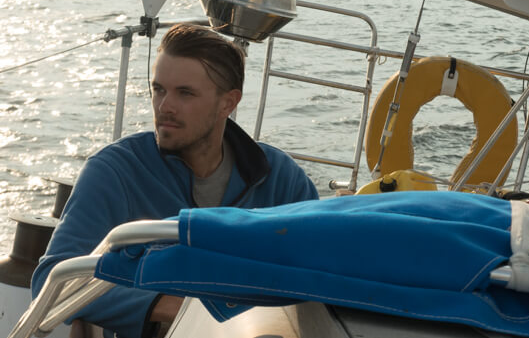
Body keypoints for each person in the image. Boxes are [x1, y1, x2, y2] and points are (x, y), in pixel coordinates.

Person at [32, 23, 318, 338]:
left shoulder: (280, 178)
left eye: (185, 93)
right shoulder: (115, 171)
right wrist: (178, 308)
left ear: (228, 103)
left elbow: (322, 272)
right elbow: (51, 281)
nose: (164, 106)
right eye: (159, 89)